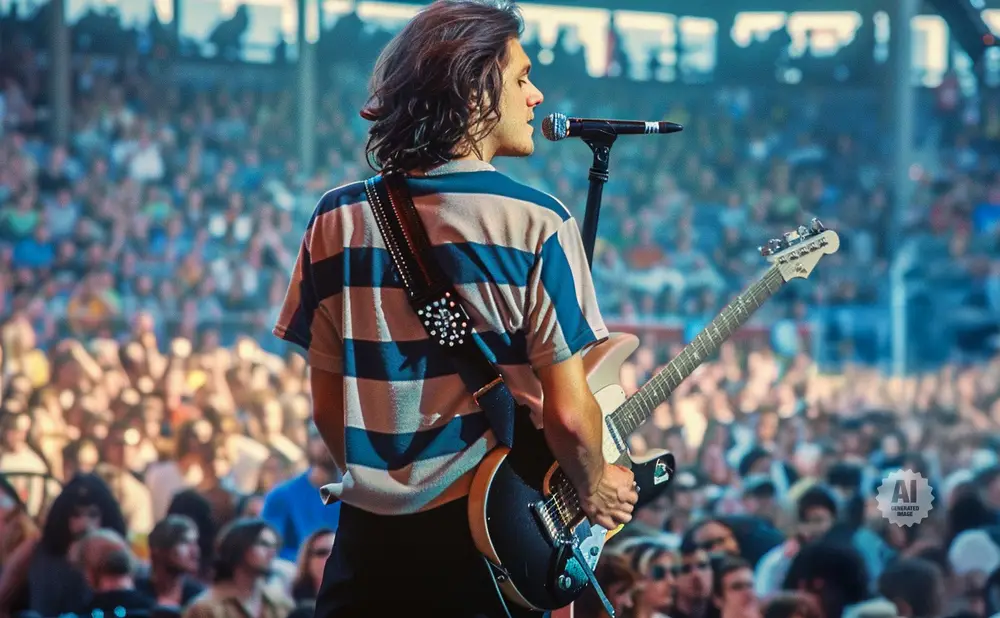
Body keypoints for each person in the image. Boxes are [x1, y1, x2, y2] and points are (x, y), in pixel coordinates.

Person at [272, 1, 638, 615]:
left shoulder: (335, 217)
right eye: (521, 78)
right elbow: (572, 420)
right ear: (474, 87)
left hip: (366, 546)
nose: (537, 95)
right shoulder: (537, 223)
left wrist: (384, 483)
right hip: (483, 543)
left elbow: (327, 400)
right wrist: (598, 484)